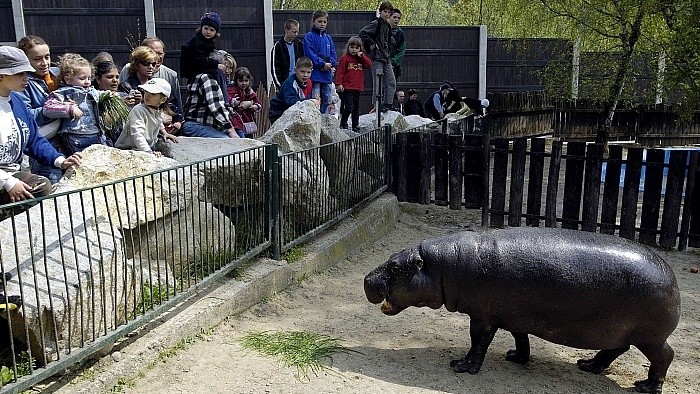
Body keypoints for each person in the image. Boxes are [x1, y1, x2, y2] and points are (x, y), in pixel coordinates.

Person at [0, 46, 82, 220]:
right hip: (4, 176)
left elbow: (34, 140)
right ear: (1, 76)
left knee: (42, 186)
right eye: (19, 74)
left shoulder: (16, 102)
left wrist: (60, 160)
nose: (26, 78)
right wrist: (7, 182)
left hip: (11, 172)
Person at [16, 35, 65, 183]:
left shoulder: (60, 74)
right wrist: (54, 110)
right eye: (37, 59)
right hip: (44, 142)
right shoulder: (22, 83)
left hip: (68, 138)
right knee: (53, 181)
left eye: (47, 57)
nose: (44, 63)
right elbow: (25, 115)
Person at [42, 53, 111, 154]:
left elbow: (102, 95)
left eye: (89, 78)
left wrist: (113, 97)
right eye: (82, 79)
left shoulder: (92, 91)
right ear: (68, 80)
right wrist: (69, 109)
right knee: (80, 162)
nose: (87, 82)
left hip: (96, 133)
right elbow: (48, 108)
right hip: (75, 136)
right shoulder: (63, 93)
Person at [121, 46, 183, 133]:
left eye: (153, 64)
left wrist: (176, 120)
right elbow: (128, 115)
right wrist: (137, 102)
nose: (150, 67)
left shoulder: (158, 84)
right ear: (136, 64)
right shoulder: (126, 86)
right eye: (146, 63)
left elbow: (170, 106)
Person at [115, 78, 178, 156]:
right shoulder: (138, 110)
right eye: (146, 91)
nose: (147, 95)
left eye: (153, 94)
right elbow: (137, 133)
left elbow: (158, 122)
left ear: (163, 100)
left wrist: (165, 133)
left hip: (146, 147)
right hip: (128, 149)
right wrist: (148, 152)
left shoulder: (158, 111)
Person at [119, 37, 182, 112]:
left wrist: (176, 119)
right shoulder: (127, 74)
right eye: (146, 63)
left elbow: (176, 104)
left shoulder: (171, 75)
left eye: (160, 53)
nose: (158, 57)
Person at [180, 11, 229, 102]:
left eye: (212, 30)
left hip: (200, 67)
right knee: (218, 73)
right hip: (193, 70)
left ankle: (223, 97)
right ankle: (223, 101)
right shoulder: (198, 42)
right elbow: (199, 60)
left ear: (216, 32)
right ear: (201, 28)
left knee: (221, 74)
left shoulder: (207, 42)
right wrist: (216, 64)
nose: (208, 32)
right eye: (206, 28)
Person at [359, 1, 396, 113]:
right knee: (377, 83)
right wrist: (372, 43)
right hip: (377, 57)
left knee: (391, 81)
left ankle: (388, 103)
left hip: (386, 57)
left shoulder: (388, 26)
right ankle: (377, 105)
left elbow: (389, 40)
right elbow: (362, 33)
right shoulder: (376, 23)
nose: (387, 14)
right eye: (385, 11)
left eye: (389, 12)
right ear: (380, 12)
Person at [181, 72, 237, 139]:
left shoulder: (196, 76)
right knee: (227, 141)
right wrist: (230, 129)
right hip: (197, 125)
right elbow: (216, 107)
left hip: (195, 125)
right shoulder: (207, 79)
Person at [335, 36, 372, 131]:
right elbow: (340, 72)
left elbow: (369, 64)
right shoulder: (345, 58)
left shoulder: (360, 59)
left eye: (356, 48)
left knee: (356, 108)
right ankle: (344, 122)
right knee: (348, 107)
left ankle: (355, 125)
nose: (354, 50)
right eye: (352, 47)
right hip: (347, 87)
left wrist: (362, 56)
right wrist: (339, 83)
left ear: (360, 49)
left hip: (357, 87)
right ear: (348, 47)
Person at [304, 10, 337, 114]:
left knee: (327, 99)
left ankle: (325, 121)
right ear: (313, 22)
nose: (322, 24)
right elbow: (310, 54)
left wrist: (330, 64)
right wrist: (322, 64)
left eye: (324, 22)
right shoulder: (309, 37)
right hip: (315, 75)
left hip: (327, 76)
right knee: (315, 100)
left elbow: (333, 54)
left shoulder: (328, 38)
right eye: (319, 21)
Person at [268, 57, 317, 125]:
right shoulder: (290, 83)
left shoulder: (308, 83)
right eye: (302, 71)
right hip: (278, 112)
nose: (305, 75)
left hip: (291, 112)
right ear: (295, 70)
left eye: (308, 72)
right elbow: (290, 101)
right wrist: (308, 101)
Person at [227, 67, 262, 138]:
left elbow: (257, 102)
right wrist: (235, 102)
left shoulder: (249, 91)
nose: (244, 83)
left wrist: (254, 106)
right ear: (236, 81)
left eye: (246, 81)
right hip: (237, 122)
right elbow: (229, 99)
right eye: (241, 81)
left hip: (248, 122)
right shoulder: (232, 89)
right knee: (241, 140)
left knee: (250, 140)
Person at [271, 19, 304, 89]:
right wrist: (280, 85)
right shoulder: (278, 46)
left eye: (297, 32)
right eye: (294, 32)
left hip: (298, 82)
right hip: (285, 83)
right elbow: (275, 68)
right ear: (286, 30)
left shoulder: (299, 44)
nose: (296, 34)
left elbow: (303, 62)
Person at [389, 8, 406, 82]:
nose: (396, 20)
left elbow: (402, 49)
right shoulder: (383, 29)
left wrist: (393, 61)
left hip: (394, 66)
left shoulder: (400, 33)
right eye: (394, 17)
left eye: (398, 18)